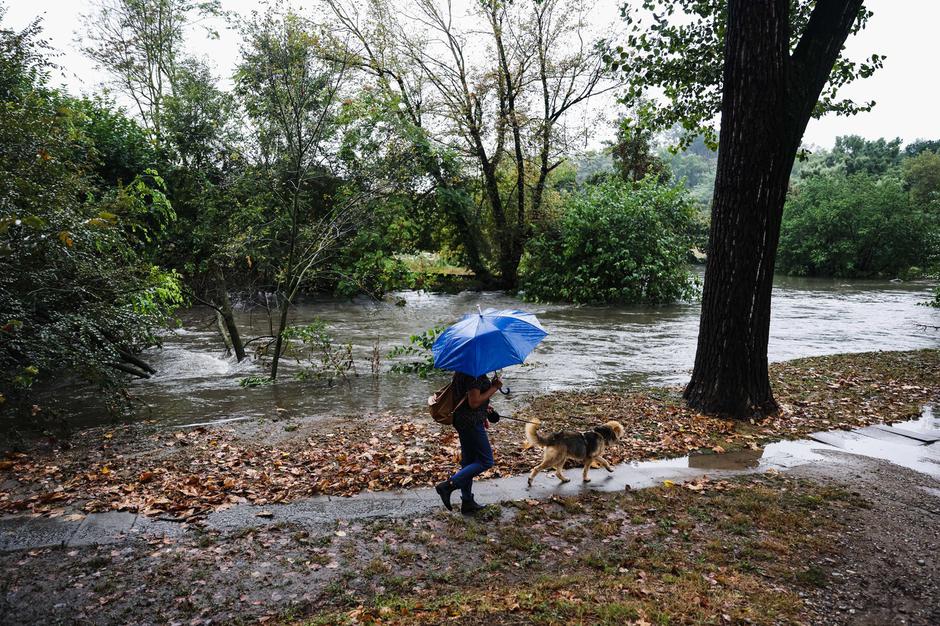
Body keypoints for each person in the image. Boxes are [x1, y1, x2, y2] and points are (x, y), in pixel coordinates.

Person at [434, 371, 502, 514]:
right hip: (471, 423)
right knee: (486, 461)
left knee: (469, 462)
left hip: (463, 420)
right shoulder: (474, 374)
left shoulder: (463, 370)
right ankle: (448, 485)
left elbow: (467, 398)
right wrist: (494, 387)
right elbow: (474, 402)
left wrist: (485, 406)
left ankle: (467, 502)